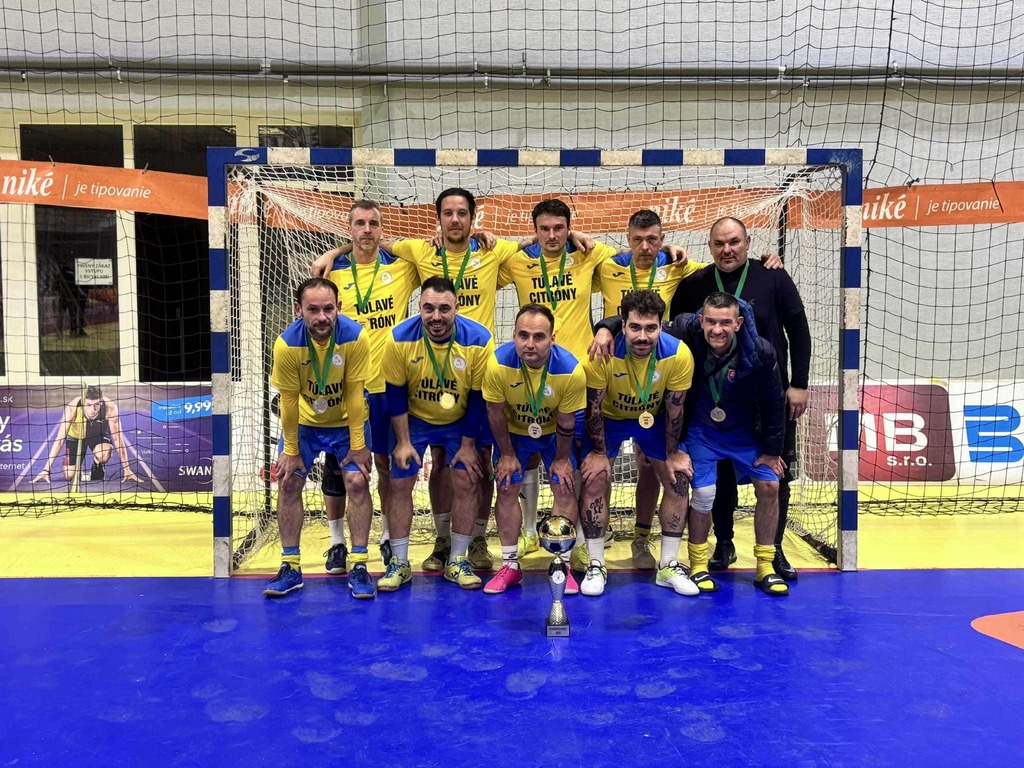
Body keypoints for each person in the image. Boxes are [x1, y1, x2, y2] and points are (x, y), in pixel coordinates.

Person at [313, 189, 521, 573]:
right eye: (448, 213)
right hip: (374, 382)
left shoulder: (486, 252)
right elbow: (369, 243)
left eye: (462, 213)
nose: (455, 219)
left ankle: (471, 539)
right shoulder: (409, 256)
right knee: (367, 465)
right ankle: (378, 542)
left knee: (477, 462)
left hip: (471, 376)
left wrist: (573, 235)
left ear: (472, 218)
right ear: (437, 219)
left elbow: (535, 243)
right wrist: (334, 252)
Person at [668, 216, 811, 581]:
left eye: (734, 242)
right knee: (718, 477)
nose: (727, 249)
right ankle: (723, 543)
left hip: (766, 395)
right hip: (713, 396)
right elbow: (670, 330)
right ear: (710, 246)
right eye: (719, 243)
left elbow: (798, 329)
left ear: (748, 242)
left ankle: (773, 551)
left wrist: (798, 383)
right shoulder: (695, 283)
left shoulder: (773, 276)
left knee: (775, 471)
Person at [656, 292, 789, 596]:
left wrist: (772, 452)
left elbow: (774, 403)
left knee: (770, 485)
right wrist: (606, 328)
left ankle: (765, 566)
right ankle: (698, 565)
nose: (717, 330)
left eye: (726, 323)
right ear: (701, 320)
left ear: (738, 323)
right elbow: (643, 323)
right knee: (704, 495)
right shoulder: (685, 330)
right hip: (702, 431)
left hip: (743, 433)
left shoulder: (761, 352)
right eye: (712, 322)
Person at [593, 209, 703, 570]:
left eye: (652, 239)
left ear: (662, 239)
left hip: (652, 382)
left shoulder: (676, 265)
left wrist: (767, 263)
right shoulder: (606, 265)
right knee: (596, 471)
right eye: (637, 239)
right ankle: (594, 545)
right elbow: (560, 252)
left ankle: (643, 540)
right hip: (612, 364)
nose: (644, 247)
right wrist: (605, 327)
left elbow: (723, 268)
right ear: (626, 238)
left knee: (653, 468)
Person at [316, 200, 419, 577]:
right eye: (359, 223)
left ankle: (390, 539)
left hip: (388, 386)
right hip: (345, 387)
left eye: (373, 223)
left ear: (381, 229)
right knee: (339, 466)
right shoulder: (332, 272)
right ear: (349, 228)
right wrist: (335, 253)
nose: (366, 230)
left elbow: (432, 251)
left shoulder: (403, 268)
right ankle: (336, 543)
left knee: (388, 467)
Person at [578, 290, 697, 597]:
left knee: (678, 479)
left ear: (661, 326)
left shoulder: (678, 354)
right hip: (610, 419)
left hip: (653, 419)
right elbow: (593, 408)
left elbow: (675, 408)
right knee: (594, 477)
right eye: (635, 327)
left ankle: (668, 565)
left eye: (650, 328)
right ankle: (596, 564)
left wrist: (672, 453)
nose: (642, 336)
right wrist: (598, 453)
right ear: (623, 325)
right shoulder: (602, 352)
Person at [262, 278, 374, 599]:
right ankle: (291, 566)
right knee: (288, 481)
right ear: (299, 310)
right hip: (305, 424)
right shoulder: (287, 344)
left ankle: (359, 564)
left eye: (328, 308)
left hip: (346, 421)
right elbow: (288, 400)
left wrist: (358, 445)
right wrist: (291, 450)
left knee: (357, 482)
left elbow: (355, 394)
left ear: (339, 307)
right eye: (313, 310)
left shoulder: (355, 337)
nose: (322, 317)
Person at [381, 277, 494, 591]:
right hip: (415, 418)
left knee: (468, 477)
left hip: (460, 418)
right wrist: (403, 441)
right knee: (399, 481)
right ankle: (399, 563)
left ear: (457, 308)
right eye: (428, 308)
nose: (436, 316)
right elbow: (395, 393)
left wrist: (468, 446)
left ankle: (457, 560)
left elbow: (477, 398)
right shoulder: (399, 338)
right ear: (419, 307)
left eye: (444, 309)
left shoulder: (480, 339)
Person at [481, 303, 586, 594]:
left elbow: (566, 422)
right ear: (513, 336)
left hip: (553, 433)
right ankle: (510, 565)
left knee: (564, 485)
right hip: (514, 432)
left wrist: (562, 460)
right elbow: (494, 413)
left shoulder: (570, 370)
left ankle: (562, 566)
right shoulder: (498, 364)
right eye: (523, 335)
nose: (530, 344)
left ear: (552, 339)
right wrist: (507, 454)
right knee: (505, 486)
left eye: (539, 337)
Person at [33, 385, 139, 484]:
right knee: (69, 476)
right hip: (76, 437)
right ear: (83, 402)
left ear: (101, 402)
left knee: (104, 455)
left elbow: (118, 439)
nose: (93, 409)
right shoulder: (72, 408)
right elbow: (60, 439)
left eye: (96, 404)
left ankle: (97, 464)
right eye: (88, 405)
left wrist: (127, 469)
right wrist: (46, 470)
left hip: (98, 435)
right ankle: (75, 467)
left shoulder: (109, 407)